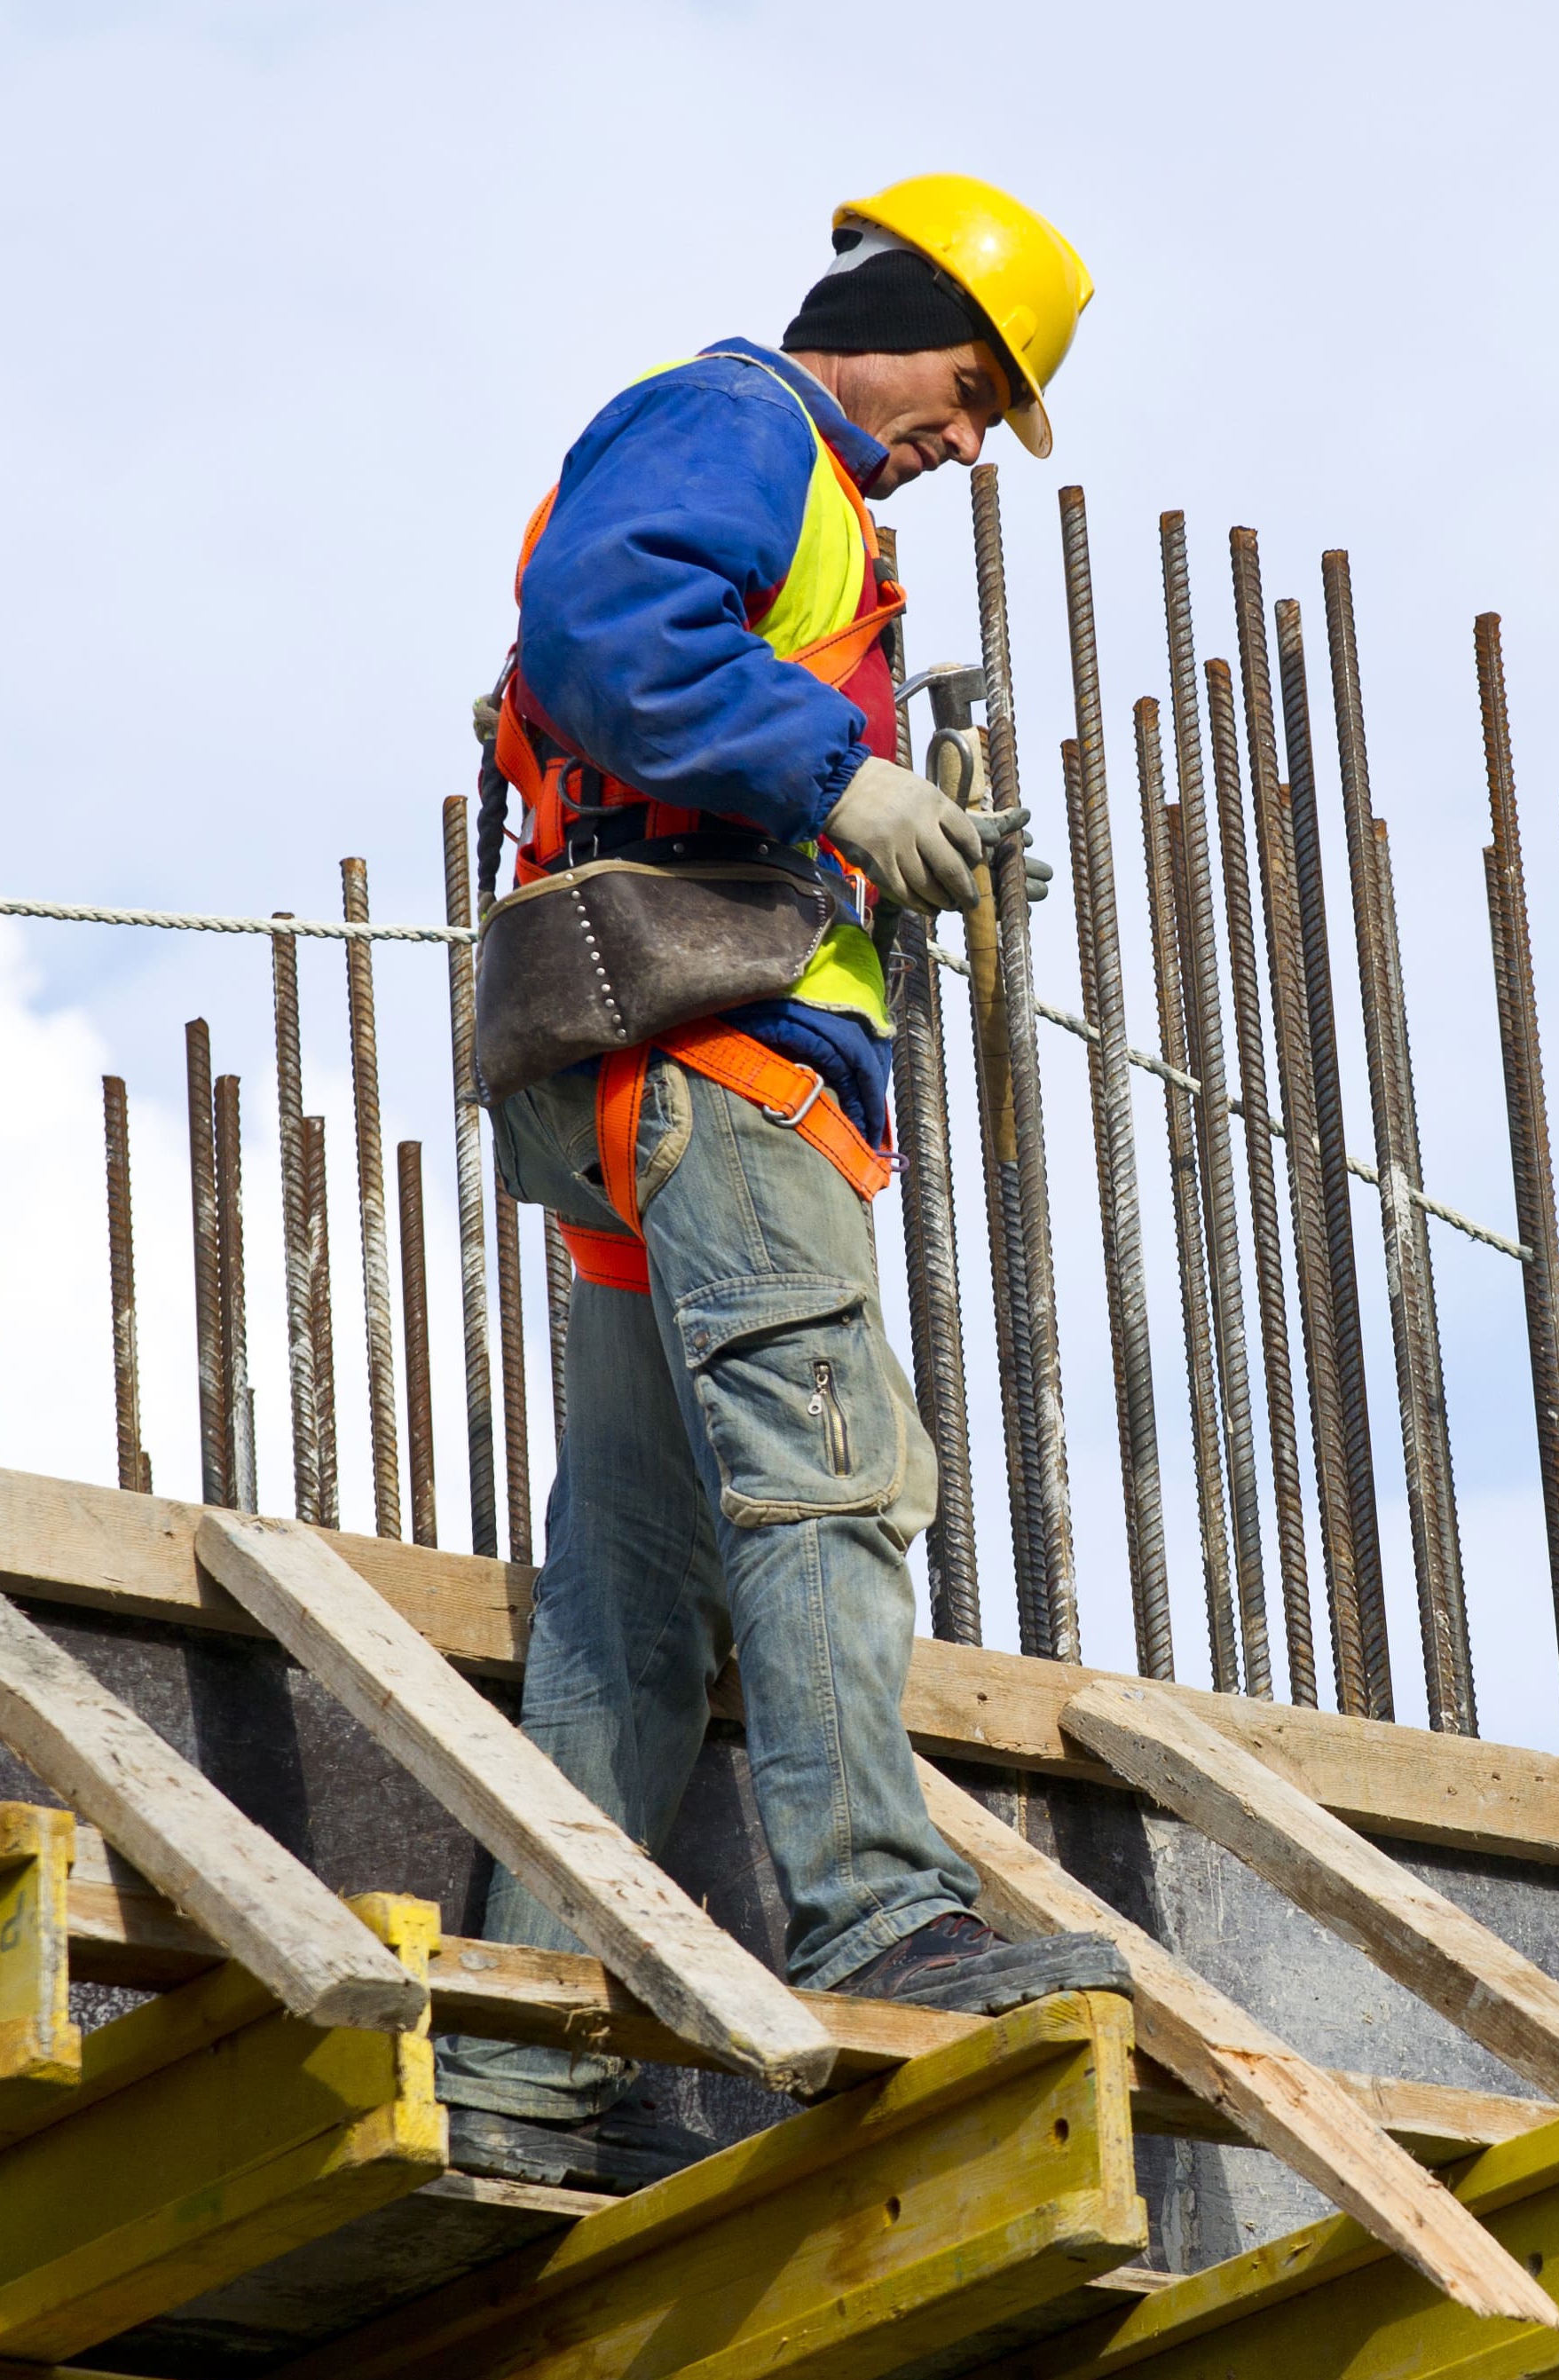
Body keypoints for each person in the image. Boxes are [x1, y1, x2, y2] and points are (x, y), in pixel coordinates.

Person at [440, 176, 1124, 2190]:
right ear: (892, 313)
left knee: (633, 1597)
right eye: (975, 386)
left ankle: (527, 2053)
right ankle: (878, 1912)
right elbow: (604, 632)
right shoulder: (743, 424)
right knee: (831, 1476)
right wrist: (841, 782)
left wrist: (870, 811)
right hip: (713, 1067)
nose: (970, 438)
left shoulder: (816, 501)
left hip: (657, 1076)